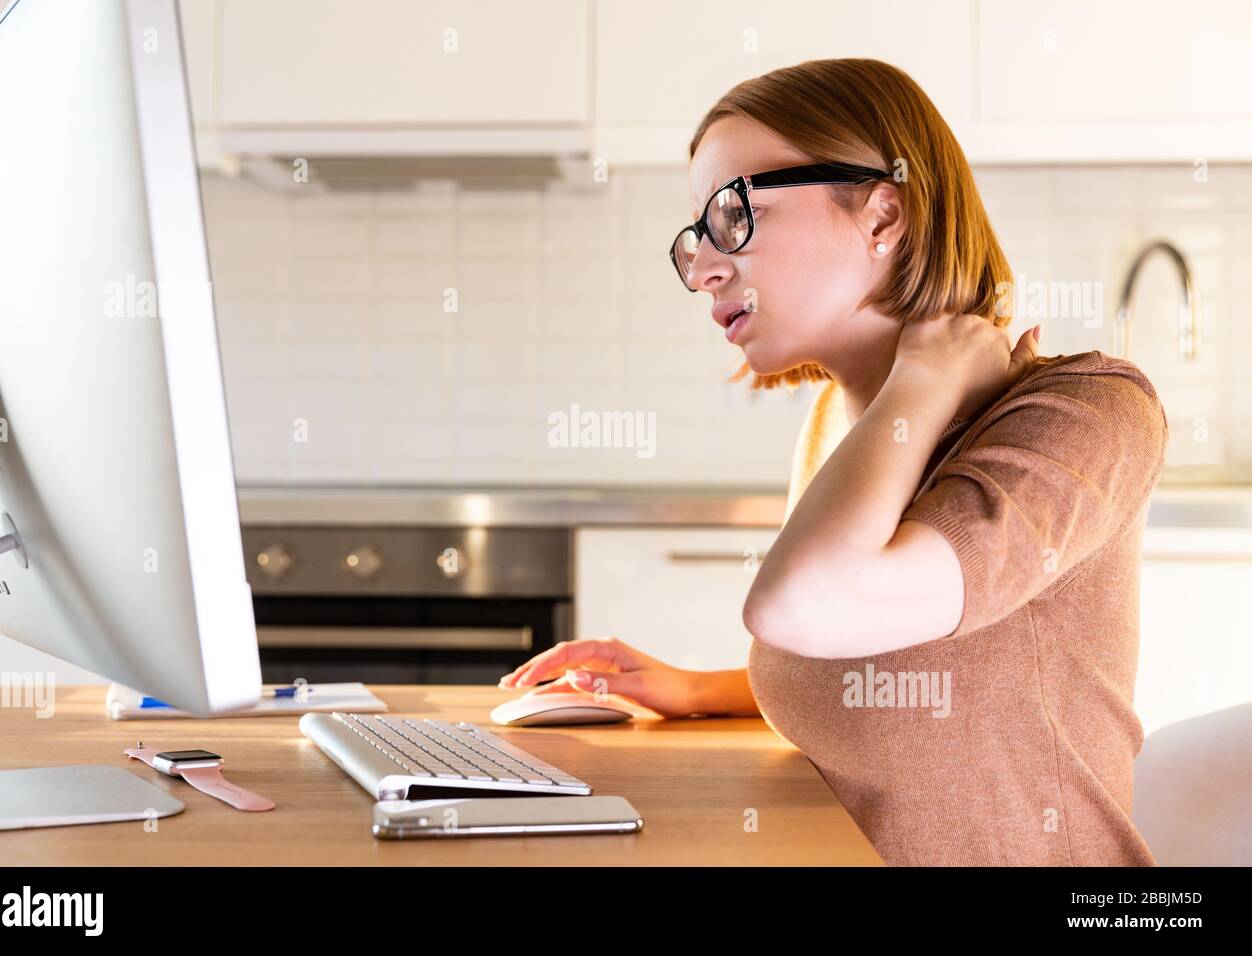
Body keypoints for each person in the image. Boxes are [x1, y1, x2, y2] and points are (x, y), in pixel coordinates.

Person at [499, 58, 1168, 866]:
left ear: (883, 214)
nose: (706, 267)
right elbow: (893, 659)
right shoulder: (839, 423)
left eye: (734, 216)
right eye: (697, 239)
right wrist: (696, 690)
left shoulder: (1090, 413)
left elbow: (803, 606)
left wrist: (923, 376)